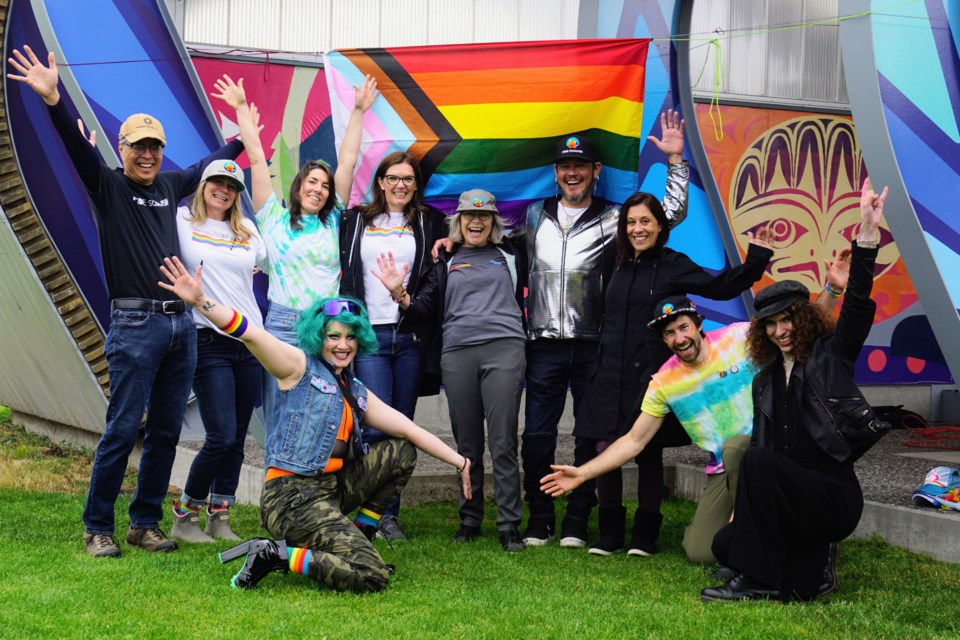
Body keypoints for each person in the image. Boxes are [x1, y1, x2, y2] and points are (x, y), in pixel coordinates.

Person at [7, 45, 245, 558]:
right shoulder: (108, 186)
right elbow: (76, 148)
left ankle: (144, 523)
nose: (147, 155)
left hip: (181, 326)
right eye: (139, 147)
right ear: (123, 148)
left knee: (164, 432)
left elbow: (210, 166)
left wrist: (241, 136)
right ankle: (98, 528)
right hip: (135, 325)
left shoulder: (170, 184)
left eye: (154, 146)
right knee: (121, 429)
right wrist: (55, 99)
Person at [158, 258, 472, 592]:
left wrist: (461, 462)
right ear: (317, 337)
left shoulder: (355, 390)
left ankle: (360, 537)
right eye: (333, 336)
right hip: (291, 500)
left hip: (330, 490)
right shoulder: (297, 367)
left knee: (401, 451)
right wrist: (200, 302)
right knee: (372, 576)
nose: (342, 345)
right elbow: (249, 333)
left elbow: (410, 430)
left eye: (351, 337)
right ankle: (275, 555)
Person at [540, 242, 850, 564]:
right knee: (701, 551)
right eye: (669, 333)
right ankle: (763, 531)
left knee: (736, 448)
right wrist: (581, 474)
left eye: (683, 327)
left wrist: (832, 291)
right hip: (724, 468)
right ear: (663, 339)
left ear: (698, 324)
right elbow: (634, 441)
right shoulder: (664, 382)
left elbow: (794, 332)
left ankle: (794, 539)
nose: (679, 338)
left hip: (772, 452)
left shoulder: (739, 338)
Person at [700, 179, 887, 602]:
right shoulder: (765, 380)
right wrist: (743, 514)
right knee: (724, 546)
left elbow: (856, 307)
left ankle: (760, 582)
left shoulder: (829, 355)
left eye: (787, 320)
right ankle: (807, 561)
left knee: (757, 461)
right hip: (787, 496)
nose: (780, 330)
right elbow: (766, 456)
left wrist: (867, 236)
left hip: (830, 495)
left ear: (803, 319)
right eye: (770, 323)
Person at [518, 113, 690, 547]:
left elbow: (666, 216)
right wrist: (449, 238)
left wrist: (675, 162)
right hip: (543, 345)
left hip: (595, 345)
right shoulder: (532, 215)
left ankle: (577, 521)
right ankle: (540, 518)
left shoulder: (615, 219)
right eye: (564, 166)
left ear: (596, 171)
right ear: (555, 173)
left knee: (589, 439)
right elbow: (484, 234)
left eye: (580, 166)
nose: (571, 173)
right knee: (537, 437)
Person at [572, 193, 773, 557]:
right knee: (603, 447)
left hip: (648, 376)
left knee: (647, 452)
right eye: (631, 222)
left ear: (660, 226)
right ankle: (610, 533)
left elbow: (721, 286)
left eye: (646, 221)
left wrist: (757, 258)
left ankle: (645, 536)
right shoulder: (611, 262)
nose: (638, 229)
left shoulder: (672, 264)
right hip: (607, 375)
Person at [209, 73, 377, 430]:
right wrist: (240, 107)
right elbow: (256, 160)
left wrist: (359, 110)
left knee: (325, 413)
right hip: (283, 326)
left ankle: (319, 482)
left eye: (325, 186)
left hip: (327, 324)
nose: (318, 189)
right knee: (282, 413)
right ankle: (279, 483)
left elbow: (346, 163)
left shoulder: (333, 220)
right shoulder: (273, 216)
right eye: (312, 182)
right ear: (299, 186)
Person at [374, 189, 528, 552]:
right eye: (468, 217)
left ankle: (508, 525)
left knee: (504, 440)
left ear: (493, 221)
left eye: (484, 216)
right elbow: (422, 307)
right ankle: (470, 520)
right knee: (467, 443)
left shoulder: (513, 252)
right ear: (457, 222)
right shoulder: (445, 257)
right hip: (457, 352)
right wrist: (399, 294)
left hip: (505, 348)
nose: (476, 222)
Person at [338, 151, 447, 540]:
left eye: (408, 178)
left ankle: (385, 516)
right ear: (380, 181)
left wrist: (447, 239)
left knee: (403, 428)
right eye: (393, 177)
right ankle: (361, 515)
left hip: (410, 336)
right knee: (374, 428)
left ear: (416, 185)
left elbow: (446, 255)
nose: (400, 184)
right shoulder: (354, 220)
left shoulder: (429, 222)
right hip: (368, 336)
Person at [169, 159, 266, 542]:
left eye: (231, 185)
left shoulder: (246, 232)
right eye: (216, 183)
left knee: (238, 435)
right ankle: (184, 514)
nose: (223, 190)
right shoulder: (181, 221)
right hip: (207, 338)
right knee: (221, 436)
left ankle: (219, 516)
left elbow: (278, 266)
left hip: (249, 338)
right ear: (203, 184)